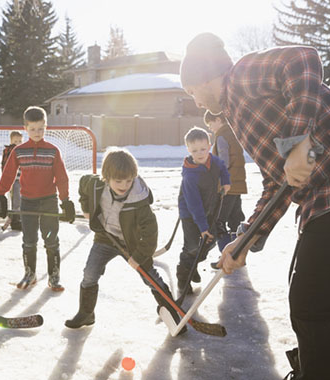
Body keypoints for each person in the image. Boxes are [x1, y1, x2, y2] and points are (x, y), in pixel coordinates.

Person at [179, 32, 330, 379]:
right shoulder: (238, 114)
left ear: (204, 77)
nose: (196, 102)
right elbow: (279, 182)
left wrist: (297, 141)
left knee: (311, 306)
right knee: (307, 299)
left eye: (191, 92)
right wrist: (245, 238)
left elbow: (302, 59)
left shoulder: (242, 76)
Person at [65, 147, 185, 332]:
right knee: (90, 273)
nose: (124, 185)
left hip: (132, 243)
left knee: (150, 277)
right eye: (118, 181)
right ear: (106, 177)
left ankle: (173, 313)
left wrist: (138, 256)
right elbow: (83, 184)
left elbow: (151, 232)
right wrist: (86, 208)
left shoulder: (139, 200)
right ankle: (86, 313)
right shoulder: (96, 185)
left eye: (129, 180)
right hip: (105, 238)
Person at [0, 106, 75, 291]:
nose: (37, 133)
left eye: (40, 128)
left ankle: (54, 276)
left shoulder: (53, 151)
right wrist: (0, 194)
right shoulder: (19, 151)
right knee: (29, 240)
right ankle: (30, 273)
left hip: (49, 201)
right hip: (27, 201)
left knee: (51, 240)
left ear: (46, 126)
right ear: (25, 128)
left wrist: (66, 200)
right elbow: (8, 175)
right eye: (32, 129)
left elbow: (61, 177)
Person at [176, 127, 230, 298]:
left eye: (203, 149)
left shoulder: (213, 161)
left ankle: (193, 266)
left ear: (209, 145)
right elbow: (194, 204)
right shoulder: (190, 176)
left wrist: (226, 181)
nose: (199, 153)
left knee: (209, 241)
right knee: (193, 246)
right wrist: (202, 226)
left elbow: (222, 166)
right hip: (191, 213)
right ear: (188, 150)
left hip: (208, 207)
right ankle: (183, 274)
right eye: (194, 150)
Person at [204, 110, 247, 253]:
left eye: (210, 124)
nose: (210, 128)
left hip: (227, 185)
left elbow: (224, 162)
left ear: (217, 119)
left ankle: (226, 254)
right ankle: (238, 253)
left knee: (218, 220)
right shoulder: (234, 134)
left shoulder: (221, 136)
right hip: (237, 184)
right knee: (235, 219)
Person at [1, 130, 23, 231]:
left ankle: (20, 218)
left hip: (22, 180)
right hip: (14, 181)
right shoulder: (10, 151)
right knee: (16, 201)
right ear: (11, 141)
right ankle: (15, 221)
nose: (18, 143)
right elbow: (5, 166)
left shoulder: (22, 150)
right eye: (15, 141)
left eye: (20, 141)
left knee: (22, 200)